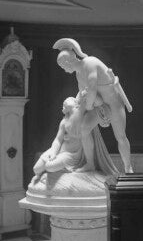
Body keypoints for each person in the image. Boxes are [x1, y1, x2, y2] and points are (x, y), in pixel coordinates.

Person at [52, 38, 134, 174]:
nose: (63, 69)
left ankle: (128, 168)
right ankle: (90, 164)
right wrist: (78, 106)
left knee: (120, 137)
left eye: (62, 66)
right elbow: (81, 93)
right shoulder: (78, 74)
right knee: (84, 128)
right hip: (98, 106)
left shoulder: (90, 63)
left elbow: (91, 90)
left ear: (68, 62)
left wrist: (88, 106)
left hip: (113, 103)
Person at [31, 97, 84, 182]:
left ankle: (58, 173)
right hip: (59, 150)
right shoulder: (64, 122)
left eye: (68, 103)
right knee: (36, 169)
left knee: (49, 166)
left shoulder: (82, 120)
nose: (65, 104)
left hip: (71, 155)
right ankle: (48, 173)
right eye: (64, 105)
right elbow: (58, 140)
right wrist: (53, 152)